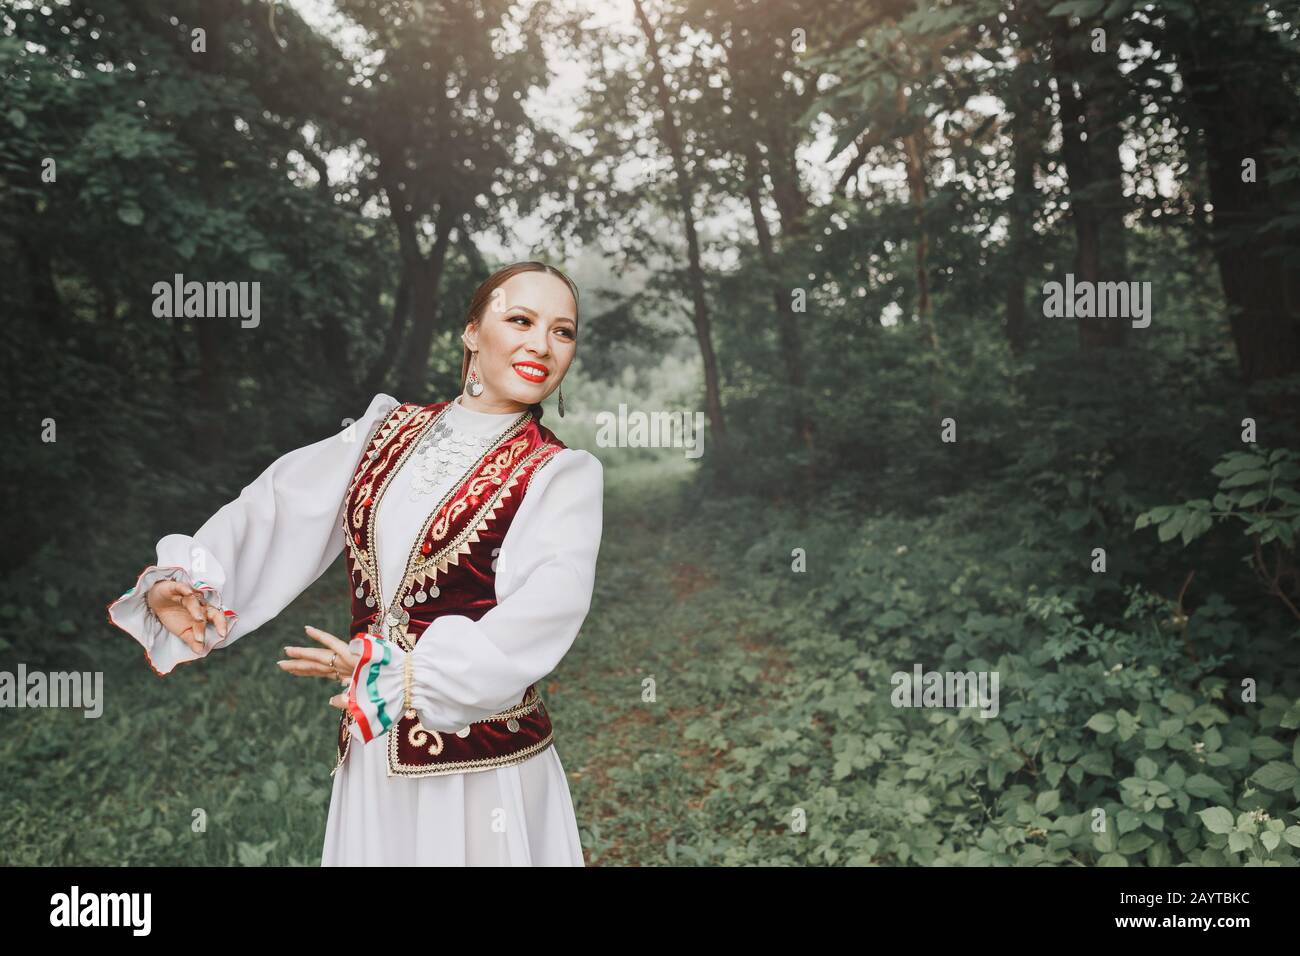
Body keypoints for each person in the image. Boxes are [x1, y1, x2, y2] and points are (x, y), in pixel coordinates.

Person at [106, 261, 603, 866]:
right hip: (371, 746)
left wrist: (414, 676)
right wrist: (193, 581)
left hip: (481, 763)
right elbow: (281, 505)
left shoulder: (557, 473)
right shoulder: (385, 431)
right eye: (520, 319)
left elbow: (549, 606)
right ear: (472, 331)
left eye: (563, 331)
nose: (540, 344)